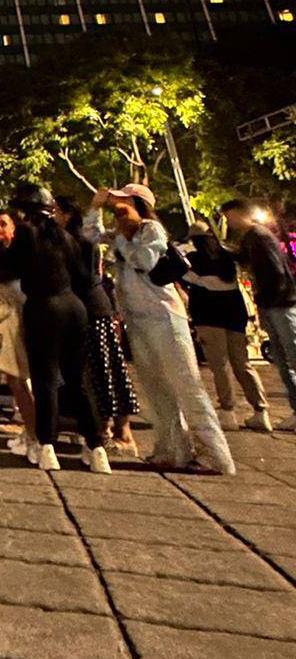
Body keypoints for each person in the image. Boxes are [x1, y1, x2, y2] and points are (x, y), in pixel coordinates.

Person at [85, 185, 234, 474]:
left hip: (165, 319)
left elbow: (145, 260)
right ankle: (171, 450)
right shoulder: (121, 233)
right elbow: (89, 236)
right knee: (156, 390)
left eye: (122, 201)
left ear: (138, 202)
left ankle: (216, 456)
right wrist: (95, 208)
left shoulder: (151, 229)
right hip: (138, 321)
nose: (117, 206)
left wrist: (121, 241)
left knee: (188, 387)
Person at [0, 184, 108, 473]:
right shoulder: (65, 236)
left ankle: (47, 447)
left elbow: (7, 269)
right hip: (75, 309)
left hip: (44, 308)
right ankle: (97, 448)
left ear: (22, 210)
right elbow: (83, 274)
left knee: (45, 381)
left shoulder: (27, 233)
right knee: (76, 382)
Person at [55, 195, 139, 457]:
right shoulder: (76, 240)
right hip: (93, 308)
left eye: (56, 212)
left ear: (68, 215)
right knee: (105, 369)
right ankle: (110, 429)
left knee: (100, 371)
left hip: (91, 310)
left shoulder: (76, 241)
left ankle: (112, 432)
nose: (53, 218)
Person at [178, 217, 271, 433]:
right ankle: (260, 411)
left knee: (220, 364)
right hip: (234, 312)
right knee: (242, 363)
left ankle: (228, 411)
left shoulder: (192, 259)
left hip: (208, 313)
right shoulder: (228, 255)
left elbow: (184, 279)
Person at [221, 199, 296, 432]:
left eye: (229, 216)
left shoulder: (259, 235)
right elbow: (243, 258)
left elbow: (277, 270)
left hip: (280, 304)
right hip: (273, 303)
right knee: (283, 360)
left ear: (241, 213)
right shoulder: (252, 237)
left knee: (290, 356)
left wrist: (270, 298)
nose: (228, 221)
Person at [0, 209, 37, 454]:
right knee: (12, 374)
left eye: (3, 224)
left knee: (21, 376)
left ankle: (29, 428)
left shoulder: (21, 252)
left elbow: (6, 276)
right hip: (4, 317)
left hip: (23, 318)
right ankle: (26, 425)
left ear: (14, 227)